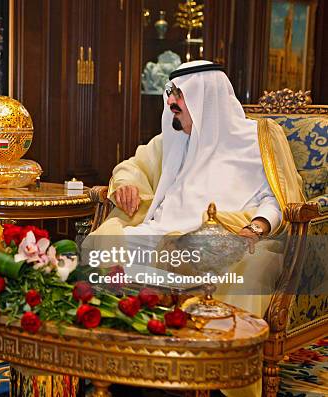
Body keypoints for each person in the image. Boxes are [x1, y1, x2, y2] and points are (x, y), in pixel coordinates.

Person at [89, 60, 304, 397]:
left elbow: (277, 197)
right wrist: (126, 183)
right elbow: (133, 165)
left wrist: (259, 225)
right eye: (170, 107)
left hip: (231, 236)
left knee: (251, 266)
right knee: (102, 243)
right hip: (165, 234)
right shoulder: (175, 138)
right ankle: (110, 358)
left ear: (204, 100)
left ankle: (222, 376)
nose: (173, 116)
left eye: (178, 106)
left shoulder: (259, 139)